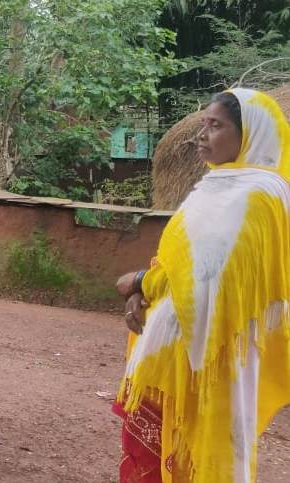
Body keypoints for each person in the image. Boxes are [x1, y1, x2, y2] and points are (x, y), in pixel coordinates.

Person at [113, 89, 290, 482]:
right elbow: (176, 260)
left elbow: (209, 277)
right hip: (166, 351)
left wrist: (140, 280)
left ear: (248, 134)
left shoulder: (261, 197)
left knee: (200, 458)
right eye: (203, 124)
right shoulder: (214, 186)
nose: (201, 135)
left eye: (216, 126)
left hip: (211, 359)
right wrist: (142, 292)